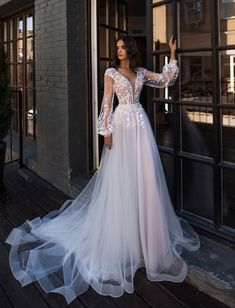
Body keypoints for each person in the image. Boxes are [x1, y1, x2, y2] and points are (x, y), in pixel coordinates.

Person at [5, 34, 200, 304]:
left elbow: (166, 80)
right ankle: (124, 237)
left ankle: (147, 239)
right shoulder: (111, 72)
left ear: (130, 50)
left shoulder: (141, 72)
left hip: (140, 128)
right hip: (121, 126)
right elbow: (106, 102)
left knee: (145, 180)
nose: (119, 51)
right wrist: (105, 131)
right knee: (122, 181)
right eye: (117, 48)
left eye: (122, 47)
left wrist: (173, 52)